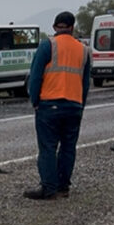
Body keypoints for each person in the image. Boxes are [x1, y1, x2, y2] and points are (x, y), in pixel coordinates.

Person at [23, 11, 91, 200]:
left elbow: (35, 76)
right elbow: (85, 83)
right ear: (72, 27)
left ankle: (48, 188)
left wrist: (35, 101)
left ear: (54, 27)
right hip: (74, 105)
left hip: (49, 105)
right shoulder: (83, 50)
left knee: (48, 147)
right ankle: (63, 186)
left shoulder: (47, 45)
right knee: (68, 148)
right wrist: (81, 104)